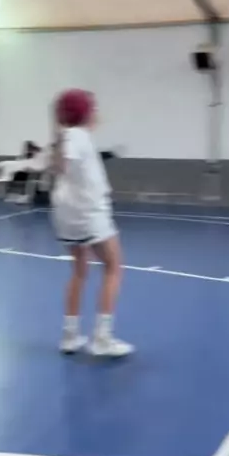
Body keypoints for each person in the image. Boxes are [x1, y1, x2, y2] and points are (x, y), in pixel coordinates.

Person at [51, 89, 134, 358]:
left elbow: (68, 162)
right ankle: (102, 338)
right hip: (88, 213)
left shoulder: (69, 136)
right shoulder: (76, 136)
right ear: (84, 112)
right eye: (93, 108)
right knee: (113, 267)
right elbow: (64, 162)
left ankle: (70, 336)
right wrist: (60, 153)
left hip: (66, 214)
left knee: (79, 271)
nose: (96, 112)